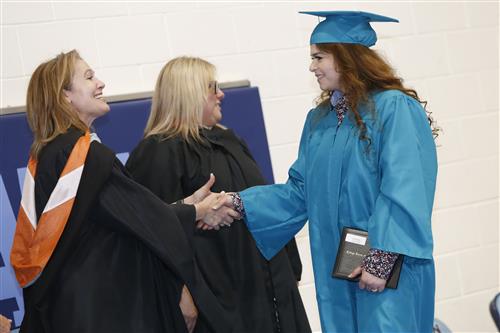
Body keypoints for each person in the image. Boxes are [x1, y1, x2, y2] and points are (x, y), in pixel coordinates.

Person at [224, 11, 439, 333]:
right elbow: (299, 191)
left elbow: (406, 186)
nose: (312, 67)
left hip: (387, 265)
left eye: (319, 57)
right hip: (338, 269)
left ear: (348, 58)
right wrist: (235, 203)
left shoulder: (393, 108)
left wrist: (381, 258)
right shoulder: (320, 120)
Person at [10, 50, 238, 333]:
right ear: (64, 95)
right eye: (89, 76)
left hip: (71, 311)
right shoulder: (82, 157)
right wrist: (197, 210)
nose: (101, 83)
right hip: (98, 312)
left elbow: (125, 214)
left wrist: (185, 204)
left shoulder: (50, 153)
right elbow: (141, 219)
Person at [125, 56, 311, 333]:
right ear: (188, 92)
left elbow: (265, 201)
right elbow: (152, 231)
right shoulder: (159, 151)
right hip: (217, 298)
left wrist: (290, 267)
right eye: (212, 87)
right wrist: (181, 293)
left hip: (268, 289)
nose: (220, 94)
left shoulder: (231, 142)